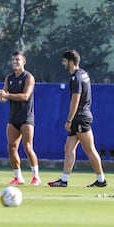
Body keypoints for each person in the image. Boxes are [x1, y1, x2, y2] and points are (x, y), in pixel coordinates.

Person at [48, 50, 107, 187]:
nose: (63, 64)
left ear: (70, 61)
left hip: (80, 117)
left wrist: (69, 120)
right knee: (68, 148)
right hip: (79, 116)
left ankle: (101, 179)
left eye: (64, 61)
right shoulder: (83, 74)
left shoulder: (76, 78)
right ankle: (64, 180)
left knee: (89, 149)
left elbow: (76, 99)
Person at [0, 51, 41, 186]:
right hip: (13, 118)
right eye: (13, 60)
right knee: (11, 147)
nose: (15, 62)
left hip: (26, 117)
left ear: (24, 61)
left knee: (28, 147)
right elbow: (4, 98)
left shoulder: (28, 77)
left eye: (18, 60)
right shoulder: (8, 78)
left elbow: (25, 96)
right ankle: (18, 177)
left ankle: (36, 177)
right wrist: (1, 96)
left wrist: (7, 96)